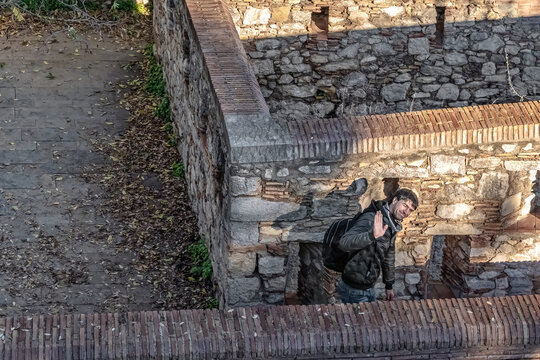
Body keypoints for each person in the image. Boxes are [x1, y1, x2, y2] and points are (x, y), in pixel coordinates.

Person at [336, 188, 418, 303]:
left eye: (410, 210)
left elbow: (389, 255)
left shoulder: (392, 224)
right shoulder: (371, 218)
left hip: (369, 286)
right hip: (354, 289)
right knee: (358, 320)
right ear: (394, 200)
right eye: (405, 205)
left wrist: (389, 285)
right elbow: (344, 243)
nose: (406, 212)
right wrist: (371, 236)